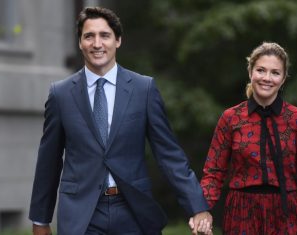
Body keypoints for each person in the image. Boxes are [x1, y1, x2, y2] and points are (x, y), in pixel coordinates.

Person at [29, 6, 213, 235]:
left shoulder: (143, 89)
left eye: (104, 35)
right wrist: (40, 219)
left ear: (118, 41)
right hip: (82, 215)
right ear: (80, 43)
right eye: (89, 36)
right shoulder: (60, 94)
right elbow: (49, 161)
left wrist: (197, 207)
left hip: (133, 210)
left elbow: (169, 155)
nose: (97, 44)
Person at [193, 42, 297, 234]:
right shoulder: (231, 118)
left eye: (275, 72)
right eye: (261, 70)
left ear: (283, 79)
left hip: (287, 215)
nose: (267, 78)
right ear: (250, 73)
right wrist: (201, 209)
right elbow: (214, 172)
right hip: (241, 214)